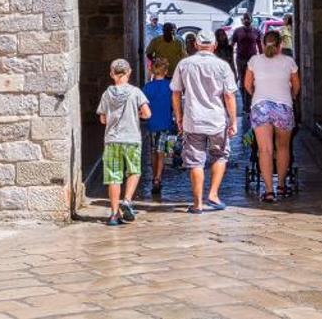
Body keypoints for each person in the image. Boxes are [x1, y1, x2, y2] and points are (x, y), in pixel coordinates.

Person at [170, 28, 238, 213]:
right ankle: (213, 194)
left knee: (195, 161)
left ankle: (197, 203)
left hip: (193, 119)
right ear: (214, 46)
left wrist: (178, 117)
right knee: (220, 155)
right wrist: (233, 121)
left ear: (195, 44)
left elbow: (176, 92)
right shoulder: (223, 66)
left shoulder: (184, 64)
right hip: (216, 120)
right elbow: (229, 95)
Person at [243, 28, 300, 202]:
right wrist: (291, 96)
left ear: (262, 44)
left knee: (264, 150)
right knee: (282, 147)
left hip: (261, 107)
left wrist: (257, 95)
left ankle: (268, 191)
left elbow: (247, 84)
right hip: (283, 106)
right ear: (280, 44)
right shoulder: (289, 62)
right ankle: (281, 185)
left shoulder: (254, 61)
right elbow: (296, 86)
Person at [95, 57, 150, 226]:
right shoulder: (135, 92)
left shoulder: (106, 94)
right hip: (132, 138)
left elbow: (103, 119)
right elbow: (147, 114)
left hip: (112, 140)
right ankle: (126, 200)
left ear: (112, 74)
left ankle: (113, 214)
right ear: (129, 72)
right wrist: (136, 115)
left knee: (113, 177)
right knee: (134, 171)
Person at [140, 55, 177, 200]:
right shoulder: (170, 87)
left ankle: (155, 175)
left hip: (151, 123)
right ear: (166, 70)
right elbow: (174, 105)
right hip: (165, 122)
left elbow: (143, 106)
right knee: (161, 151)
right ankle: (157, 178)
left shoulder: (147, 87)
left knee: (153, 150)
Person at [229, 14, 262, 85]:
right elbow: (232, 44)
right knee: (242, 79)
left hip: (253, 59)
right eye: (245, 19)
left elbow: (260, 45)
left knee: (252, 79)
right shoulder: (237, 31)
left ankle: (250, 95)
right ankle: (243, 95)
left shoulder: (257, 31)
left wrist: (262, 57)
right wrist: (229, 55)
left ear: (251, 20)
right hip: (240, 58)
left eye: (248, 18)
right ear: (242, 21)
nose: (246, 20)